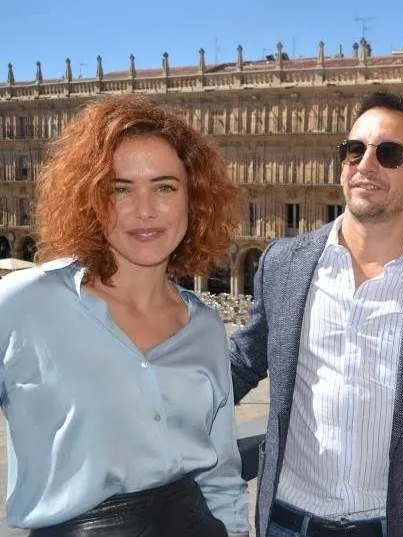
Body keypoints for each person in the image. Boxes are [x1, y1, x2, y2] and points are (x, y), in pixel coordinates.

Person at [229, 91, 403, 537]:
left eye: (389, 154)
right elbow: (238, 365)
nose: (365, 164)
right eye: (355, 150)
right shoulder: (284, 265)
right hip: (287, 523)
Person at [0, 95, 248, 536]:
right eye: (120, 188)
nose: (145, 209)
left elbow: (221, 474)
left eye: (165, 186)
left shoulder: (206, 328)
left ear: (195, 199)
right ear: (89, 197)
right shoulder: (23, 304)